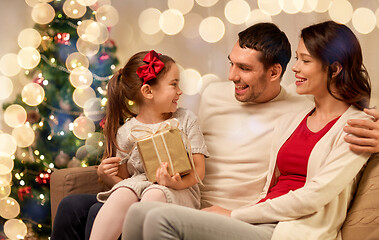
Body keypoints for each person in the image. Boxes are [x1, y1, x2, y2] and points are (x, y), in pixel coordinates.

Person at [50, 23, 379, 240]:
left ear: (275, 72)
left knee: (142, 214)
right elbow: (164, 119)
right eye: (231, 63)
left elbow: (354, 112)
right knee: (78, 207)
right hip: (199, 201)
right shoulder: (219, 96)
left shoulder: (301, 106)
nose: (232, 76)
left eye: (245, 68)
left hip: (255, 215)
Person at [52, 50, 208, 240]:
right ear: (148, 91)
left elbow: (198, 171)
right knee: (124, 192)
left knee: (153, 194)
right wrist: (108, 178)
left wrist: (174, 182)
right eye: (174, 85)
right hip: (139, 188)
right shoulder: (127, 132)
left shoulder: (185, 120)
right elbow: (127, 181)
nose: (180, 91)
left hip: (178, 191)